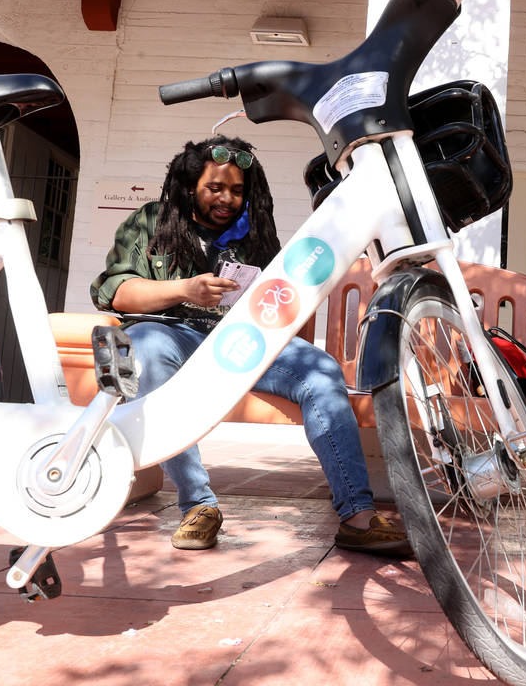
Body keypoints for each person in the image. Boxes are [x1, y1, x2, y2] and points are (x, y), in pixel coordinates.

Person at [91, 135, 411, 557]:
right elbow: (117, 292)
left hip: (243, 339)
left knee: (322, 371)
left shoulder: (254, 230)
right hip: (172, 334)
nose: (227, 199)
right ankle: (198, 506)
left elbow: (279, 301)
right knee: (146, 350)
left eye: (237, 190)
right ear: (191, 186)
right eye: (215, 188)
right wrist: (186, 289)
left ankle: (357, 514)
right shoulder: (152, 221)